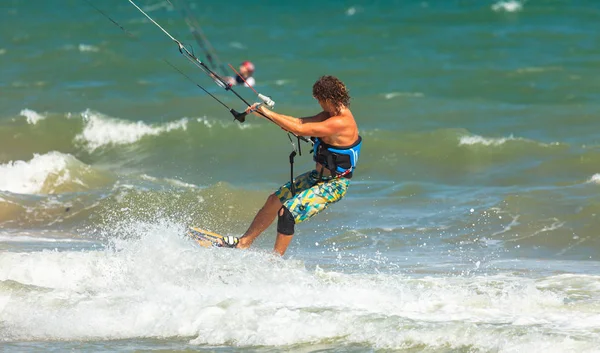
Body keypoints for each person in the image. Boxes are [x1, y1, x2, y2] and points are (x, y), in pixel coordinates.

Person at [220, 75, 362, 255]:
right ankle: (244, 242)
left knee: (287, 213)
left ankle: (274, 263)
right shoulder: (331, 113)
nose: (319, 105)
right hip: (317, 178)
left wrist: (268, 113)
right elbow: (300, 122)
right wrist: (265, 114)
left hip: (333, 185)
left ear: (327, 99)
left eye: (319, 101)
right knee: (274, 200)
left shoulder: (340, 122)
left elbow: (300, 130)